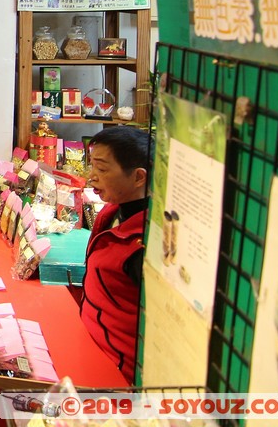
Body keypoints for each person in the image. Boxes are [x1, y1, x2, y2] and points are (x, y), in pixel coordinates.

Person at [81, 125, 150, 381]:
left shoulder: (144, 247)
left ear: (139, 177)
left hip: (118, 374)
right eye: (92, 167)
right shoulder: (110, 213)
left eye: (101, 169)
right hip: (90, 349)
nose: (91, 177)